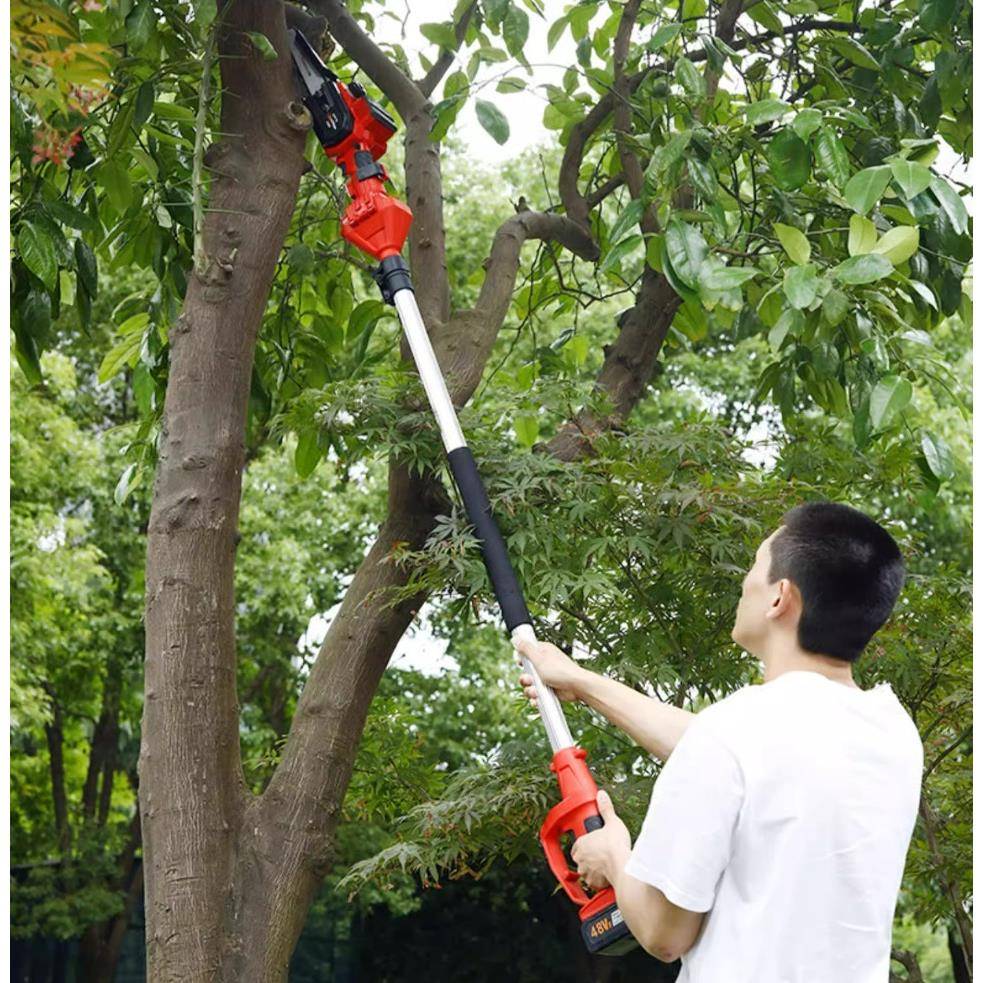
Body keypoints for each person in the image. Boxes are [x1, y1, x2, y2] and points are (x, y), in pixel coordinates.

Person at [515, 502, 923, 981]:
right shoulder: (892, 731)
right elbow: (742, 754)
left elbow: (665, 933)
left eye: (754, 566)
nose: (745, 581)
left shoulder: (734, 734)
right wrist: (581, 681)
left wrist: (614, 854)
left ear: (779, 599)